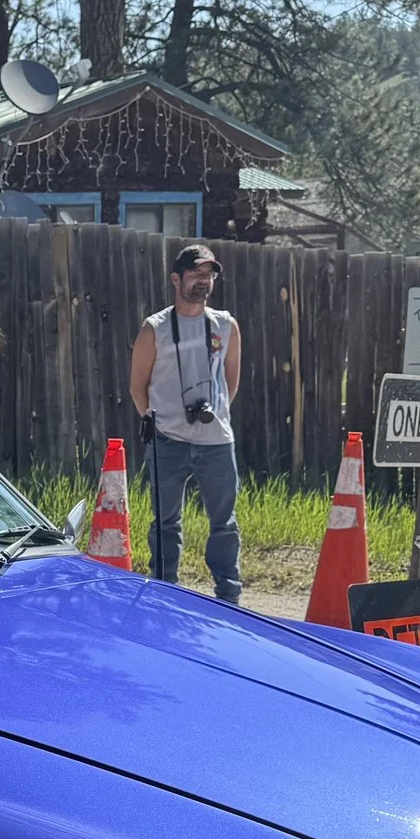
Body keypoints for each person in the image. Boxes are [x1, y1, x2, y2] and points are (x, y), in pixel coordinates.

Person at [128, 243, 243, 605]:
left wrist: (216, 412)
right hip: (167, 439)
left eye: (208, 274)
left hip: (216, 440)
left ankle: (228, 596)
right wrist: (155, 420)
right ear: (176, 278)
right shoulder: (155, 328)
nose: (203, 281)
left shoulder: (225, 325)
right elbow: (137, 386)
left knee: (224, 523)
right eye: (195, 273)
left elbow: (231, 380)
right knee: (165, 524)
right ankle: (164, 593)